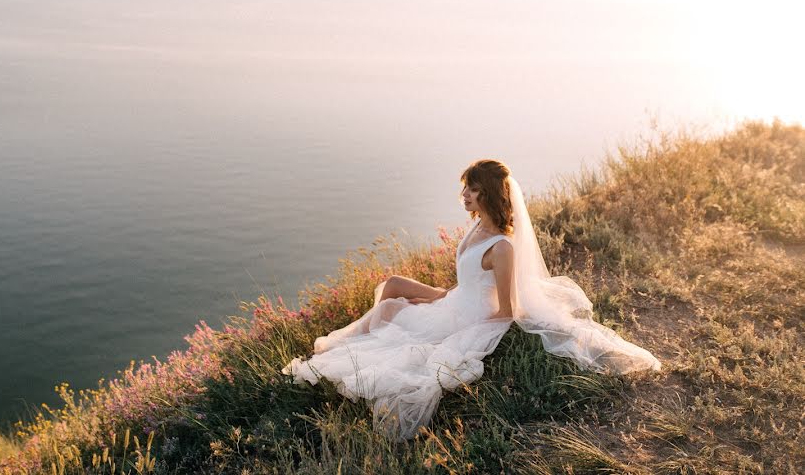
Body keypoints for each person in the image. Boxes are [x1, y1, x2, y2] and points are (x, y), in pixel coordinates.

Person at [281, 159, 662, 441]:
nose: (464, 195)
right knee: (393, 290)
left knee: (390, 315)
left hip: (467, 317)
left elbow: (508, 308)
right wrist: (442, 298)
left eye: (472, 189)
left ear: (490, 194)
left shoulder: (502, 247)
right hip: (457, 301)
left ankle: (328, 357)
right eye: (465, 187)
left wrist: (463, 330)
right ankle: (337, 346)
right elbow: (470, 280)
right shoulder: (479, 225)